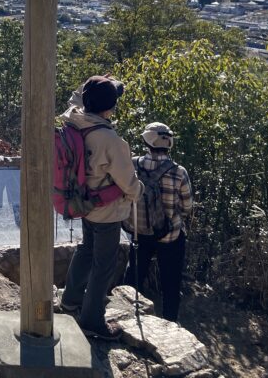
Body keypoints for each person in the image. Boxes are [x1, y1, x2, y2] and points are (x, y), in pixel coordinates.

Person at [58, 75, 144, 340]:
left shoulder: (74, 120)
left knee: (86, 249)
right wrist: (138, 192)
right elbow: (128, 182)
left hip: (83, 202)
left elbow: (76, 98)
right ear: (111, 107)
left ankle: (70, 300)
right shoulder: (110, 140)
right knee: (103, 265)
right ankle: (92, 320)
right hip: (106, 210)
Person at [124, 122, 194, 322]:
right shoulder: (179, 172)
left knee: (133, 278)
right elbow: (187, 206)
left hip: (138, 232)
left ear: (147, 141)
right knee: (171, 283)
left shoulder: (132, 165)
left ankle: (127, 317)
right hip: (169, 234)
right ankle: (169, 322)